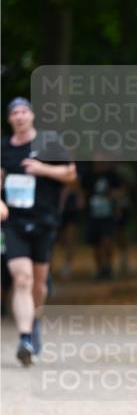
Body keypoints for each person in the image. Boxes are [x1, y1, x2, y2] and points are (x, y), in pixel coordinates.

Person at [1, 97, 76, 365]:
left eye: (23, 112)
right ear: (10, 119)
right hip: (13, 223)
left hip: (44, 221)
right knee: (21, 278)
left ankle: (34, 323)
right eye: (14, 113)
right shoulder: (4, 149)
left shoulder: (49, 143)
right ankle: (24, 338)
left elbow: (70, 174)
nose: (19, 117)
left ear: (32, 116)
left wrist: (42, 168)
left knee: (38, 283)